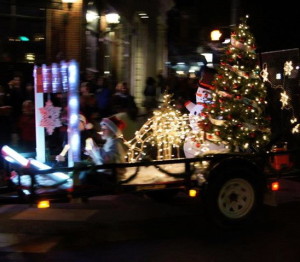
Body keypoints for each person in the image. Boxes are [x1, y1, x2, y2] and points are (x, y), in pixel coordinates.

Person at [82, 116, 127, 186]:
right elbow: (102, 160)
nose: (102, 131)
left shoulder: (115, 144)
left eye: (105, 129)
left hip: (112, 177)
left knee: (86, 176)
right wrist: (92, 153)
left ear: (113, 130)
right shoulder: (109, 142)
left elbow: (106, 160)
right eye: (102, 129)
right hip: (108, 174)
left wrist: (94, 147)